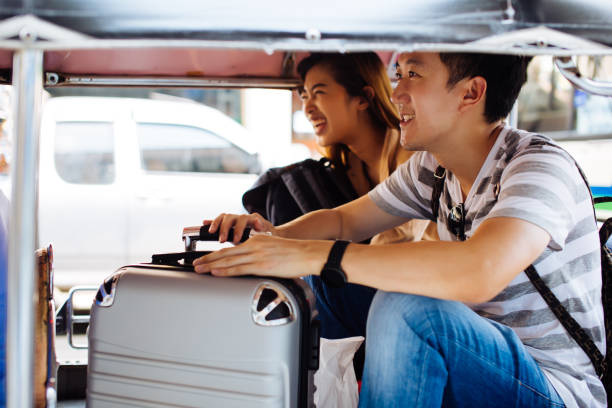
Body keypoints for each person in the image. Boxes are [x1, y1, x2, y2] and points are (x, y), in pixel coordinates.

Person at [193, 52, 605, 407]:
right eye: (399, 74)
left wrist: (320, 254)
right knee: (322, 287)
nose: (397, 93)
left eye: (414, 74)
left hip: (555, 386)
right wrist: (272, 238)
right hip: (480, 355)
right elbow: (344, 220)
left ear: (471, 93)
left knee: (407, 308)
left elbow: (479, 271)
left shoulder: (538, 167)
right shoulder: (434, 169)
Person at [243, 52, 435, 376]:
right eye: (303, 95)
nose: (306, 106)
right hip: (374, 297)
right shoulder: (338, 172)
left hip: (408, 299)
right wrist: (269, 232)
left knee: (319, 277)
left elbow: (404, 245)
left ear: (363, 98)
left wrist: (311, 256)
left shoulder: (410, 158)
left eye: (319, 92)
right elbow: (339, 219)